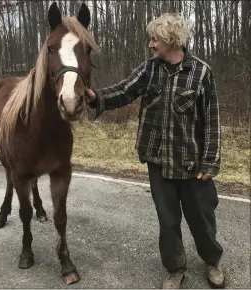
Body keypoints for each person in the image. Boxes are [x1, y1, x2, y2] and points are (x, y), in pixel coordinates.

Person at [86, 13, 225, 289]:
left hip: (191, 162)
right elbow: (124, 91)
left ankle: (212, 262)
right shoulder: (149, 69)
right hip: (158, 162)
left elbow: (212, 122)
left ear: (171, 40)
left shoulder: (201, 72)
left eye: (155, 40)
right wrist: (95, 97)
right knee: (167, 220)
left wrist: (210, 162)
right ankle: (175, 268)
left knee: (202, 218)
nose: (151, 45)